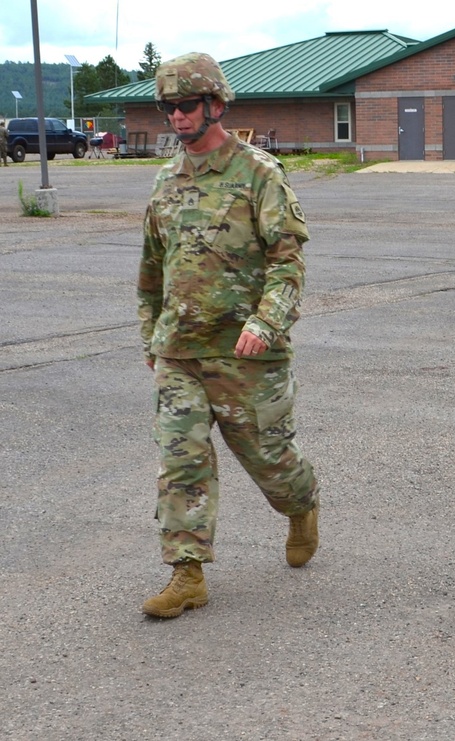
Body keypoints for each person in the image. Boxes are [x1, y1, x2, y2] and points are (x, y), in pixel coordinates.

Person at [137, 52, 319, 619]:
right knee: (180, 460)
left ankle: (301, 504)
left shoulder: (259, 173)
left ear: (215, 105)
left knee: (269, 462)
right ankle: (186, 574)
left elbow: (287, 263)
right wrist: (151, 335)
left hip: (246, 354)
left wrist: (266, 323)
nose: (175, 116)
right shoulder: (166, 181)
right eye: (166, 106)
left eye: (185, 105)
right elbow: (151, 269)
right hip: (180, 352)